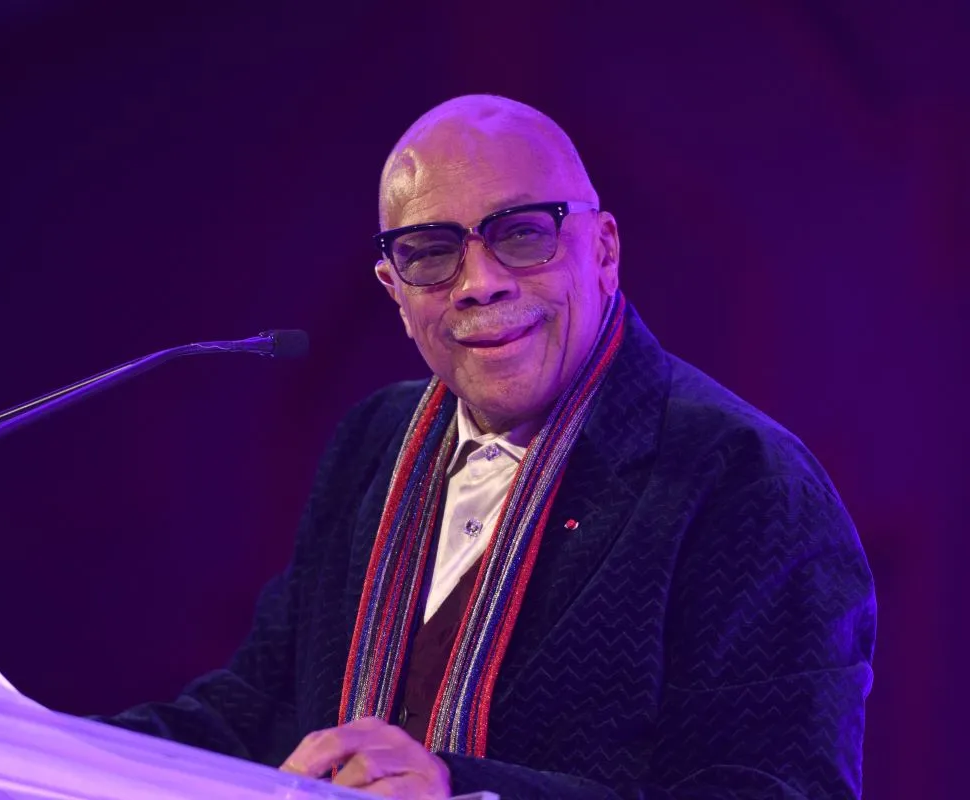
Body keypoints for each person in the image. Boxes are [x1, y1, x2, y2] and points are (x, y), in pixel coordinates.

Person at [98, 95, 876, 799]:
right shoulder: (373, 443)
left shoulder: (745, 481)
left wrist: (459, 793)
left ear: (604, 249)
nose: (478, 283)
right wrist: (25, 747)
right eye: (431, 251)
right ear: (393, 291)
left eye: (523, 234)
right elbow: (254, 714)